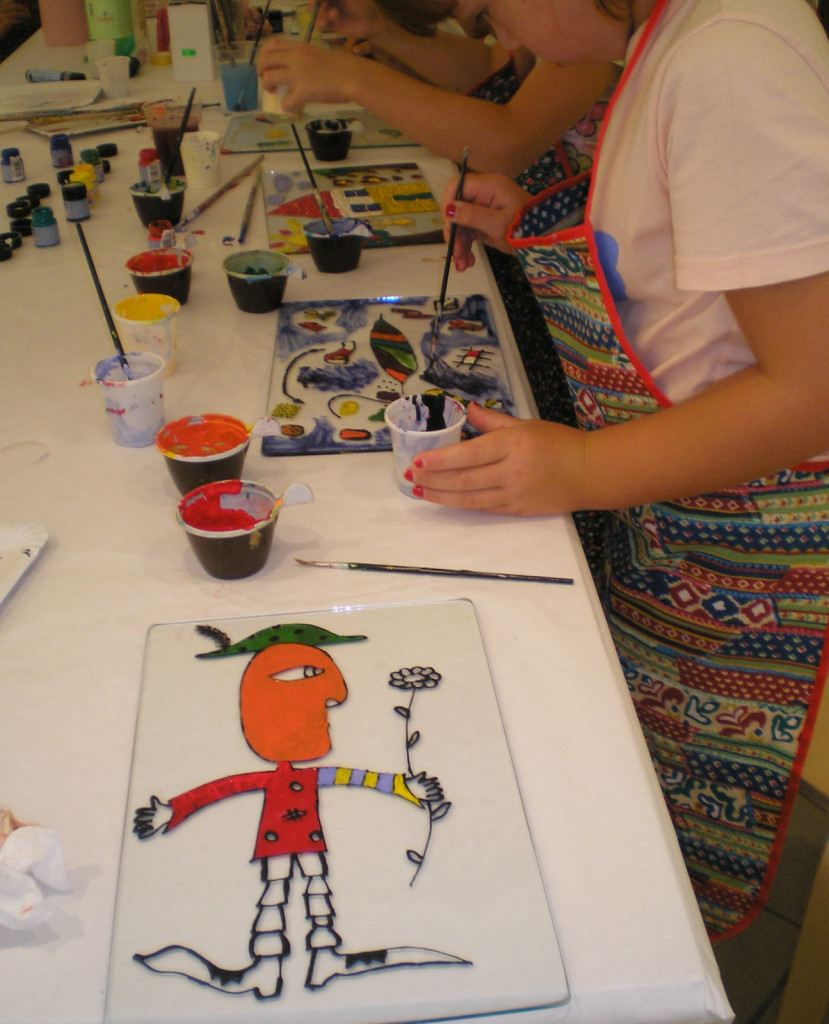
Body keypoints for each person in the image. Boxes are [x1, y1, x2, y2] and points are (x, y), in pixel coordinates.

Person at [404, 0, 829, 941]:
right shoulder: (670, 44)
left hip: (742, 528)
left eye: (490, 6)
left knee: (662, 819)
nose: (499, 39)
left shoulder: (726, 63)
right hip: (674, 499)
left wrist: (586, 466)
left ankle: (648, 941)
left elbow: (812, 389)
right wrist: (529, 229)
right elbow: (683, 266)